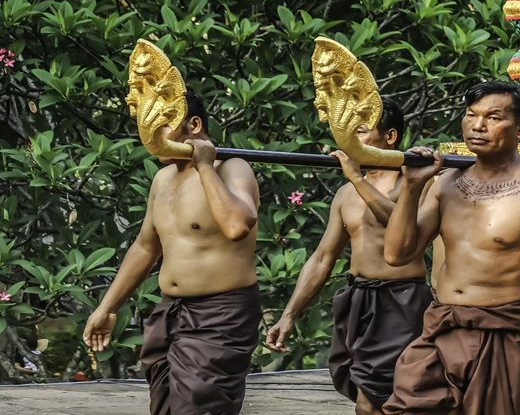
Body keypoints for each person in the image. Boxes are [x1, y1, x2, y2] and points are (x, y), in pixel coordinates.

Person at [380, 81, 520, 415]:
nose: (477, 125)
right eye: (471, 115)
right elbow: (397, 255)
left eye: (493, 117)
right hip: (442, 329)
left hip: (507, 333)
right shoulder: (446, 182)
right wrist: (413, 187)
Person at [83, 93, 261, 415]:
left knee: (197, 409)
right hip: (170, 313)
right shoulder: (162, 178)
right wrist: (108, 307)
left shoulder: (233, 168)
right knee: (165, 409)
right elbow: (146, 247)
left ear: (194, 125)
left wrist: (204, 165)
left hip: (221, 316)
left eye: (162, 126)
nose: (152, 135)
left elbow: (237, 226)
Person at [264, 97, 433, 415]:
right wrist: (289, 314)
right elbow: (322, 258)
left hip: (401, 301)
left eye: (361, 131)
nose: (350, 140)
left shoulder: (415, 182)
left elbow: (400, 229)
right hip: (357, 299)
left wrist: (356, 177)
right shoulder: (345, 194)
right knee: (368, 397)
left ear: (390, 136)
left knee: (376, 400)